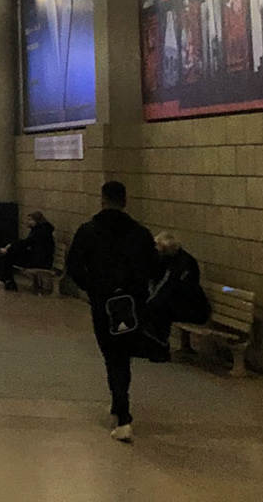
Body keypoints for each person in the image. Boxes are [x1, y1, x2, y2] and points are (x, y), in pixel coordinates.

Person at [65, 180, 156, 443]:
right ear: (125, 201)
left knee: (112, 355)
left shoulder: (88, 231)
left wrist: (92, 288)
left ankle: (123, 414)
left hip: (103, 302)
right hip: (132, 304)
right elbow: (152, 267)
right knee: (123, 355)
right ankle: (119, 405)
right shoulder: (140, 233)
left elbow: (73, 266)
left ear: (103, 201)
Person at [140, 231, 211, 361]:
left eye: (161, 251)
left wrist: (150, 303)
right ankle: (157, 345)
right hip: (182, 304)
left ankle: (159, 347)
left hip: (194, 309)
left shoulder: (182, 264)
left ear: (167, 249)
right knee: (157, 309)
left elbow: (169, 287)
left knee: (157, 311)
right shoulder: (174, 260)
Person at [0, 211, 56, 292]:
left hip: (40, 261)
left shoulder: (40, 232)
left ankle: (5, 281)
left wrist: (10, 246)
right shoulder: (41, 230)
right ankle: (5, 281)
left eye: (30, 220)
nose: (27, 222)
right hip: (39, 259)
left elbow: (26, 243)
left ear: (36, 220)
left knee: (9, 256)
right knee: (10, 255)